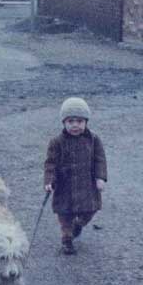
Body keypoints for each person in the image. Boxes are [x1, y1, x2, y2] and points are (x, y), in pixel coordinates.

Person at [44, 97, 107, 255]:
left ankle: (78, 224)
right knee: (65, 215)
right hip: (65, 187)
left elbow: (100, 159)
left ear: (86, 121)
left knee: (90, 210)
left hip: (87, 186)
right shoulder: (56, 142)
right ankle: (67, 240)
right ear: (64, 122)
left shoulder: (94, 139)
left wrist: (100, 178)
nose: (75, 125)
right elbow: (50, 164)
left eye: (79, 121)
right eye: (70, 121)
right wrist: (49, 181)